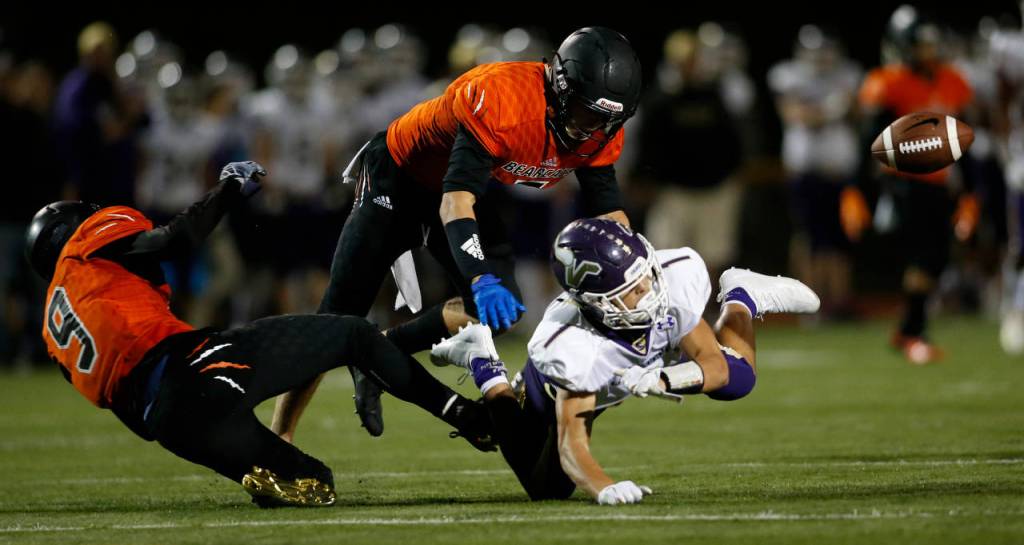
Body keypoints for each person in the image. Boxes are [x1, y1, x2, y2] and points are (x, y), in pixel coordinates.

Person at [26, 161, 493, 508]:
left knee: (315, 483)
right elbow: (173, 240)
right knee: (355, 334)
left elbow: (124, 410)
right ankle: (470, 418)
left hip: (171, 428)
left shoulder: (55, 329)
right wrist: (229, 188)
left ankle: (261, 465)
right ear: (71, 231)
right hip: (197, 368)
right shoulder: (85, 249)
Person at [272, 27, 643, 440]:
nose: (593, 128)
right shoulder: (503, 98)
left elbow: (611, 216)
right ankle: (278, 440)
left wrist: (641, 277)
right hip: (398, 179)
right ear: (560, 86)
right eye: (587, 113)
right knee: (335, 318)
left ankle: (380, 352)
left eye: (606, 119)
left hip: (460, 189)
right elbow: (455, 203)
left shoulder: (599, 130)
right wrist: (480, 277)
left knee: (504, 309)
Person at [429, 218, 820, 503]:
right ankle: (483, 360)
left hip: (624, 370)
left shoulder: (671, 279)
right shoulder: (573, 346)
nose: (649, 291)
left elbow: (715, 367)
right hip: (550, 398)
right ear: (596, 301)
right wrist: (604, 485)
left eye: (646, 276)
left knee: (738, 381)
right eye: (632, 290)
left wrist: (663, 379)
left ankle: (741, 297)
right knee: (547, 488)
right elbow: (572, 446)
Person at [841, 5, 975, 364]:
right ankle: (914, 333)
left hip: (939, 185)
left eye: (931, 44)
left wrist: (970, 194)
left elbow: (964, 142)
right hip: (903, 186)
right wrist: (855, 191)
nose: (928, 51)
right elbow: (867, 142)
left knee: (937, 260)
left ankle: (908, 331)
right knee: (922, 257)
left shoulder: (952, 80)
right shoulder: (887, 83)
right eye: (921, 44)